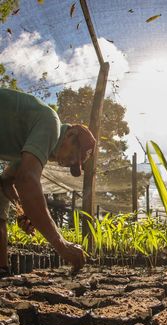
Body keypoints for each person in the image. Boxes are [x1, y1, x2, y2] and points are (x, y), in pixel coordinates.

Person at [0, 87, 96, 277]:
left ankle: (2, 270)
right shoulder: (51, 122)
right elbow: (28, 180)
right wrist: (61, 244)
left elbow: (6, 181)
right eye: (72, 157)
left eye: (72, 164)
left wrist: (23, 210)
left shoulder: (31, 145)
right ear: (71, 134)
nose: (67, 163)